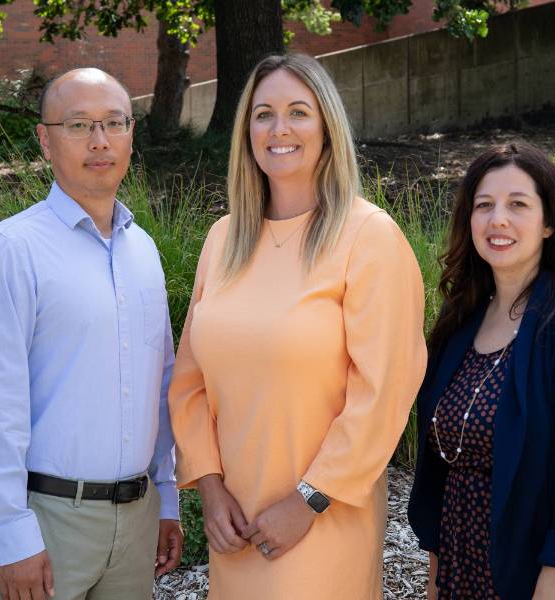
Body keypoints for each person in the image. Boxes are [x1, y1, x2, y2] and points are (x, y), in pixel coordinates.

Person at [168, 53, 427, 599]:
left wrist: (309, 498)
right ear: (246, 131)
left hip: (324, 521)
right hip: (236, 528)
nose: (279, 129)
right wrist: (210, 490)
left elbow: (383, 391)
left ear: (327, 127)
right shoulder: (223, 240)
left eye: (297, 112)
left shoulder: (368, 237)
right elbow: (189, 381)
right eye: (263, 114)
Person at [0, 68, 183, 600]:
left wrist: (166, 496)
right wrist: (14, 534)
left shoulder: (144, 252)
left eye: (115, 123)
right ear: (44, 139)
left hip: (137, 522)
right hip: (46, 521)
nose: (99, 141)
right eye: (78, 124)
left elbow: (161, 385)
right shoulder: (11, 250)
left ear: (132, 133)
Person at [408, 143, 555, 599]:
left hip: (533, 574)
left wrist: (554, 585)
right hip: (458, 568)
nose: (498, 220)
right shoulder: (458, 322)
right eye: (484, 205)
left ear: (549, 222)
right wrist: (435, 575)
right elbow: (438, 466)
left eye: (518, 204)